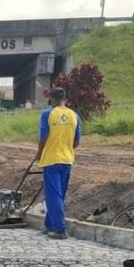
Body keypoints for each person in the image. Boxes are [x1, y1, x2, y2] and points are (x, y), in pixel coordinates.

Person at [36, 87, 81, 239]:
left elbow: (43, 137)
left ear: (52, 99)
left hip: (51, 160)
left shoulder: (47, 114)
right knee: (59, 194)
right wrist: (66, 149)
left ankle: (60, 229)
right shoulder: (74, 116)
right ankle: (49, 224)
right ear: (65, 99)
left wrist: (39, 153)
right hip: (67, 160)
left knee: (53, 195)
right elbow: (77, 140)